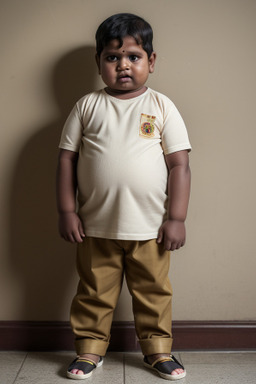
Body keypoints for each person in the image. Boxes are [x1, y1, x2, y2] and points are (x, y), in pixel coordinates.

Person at [56, 13, 191, 381]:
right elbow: (67, 160)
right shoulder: (87, 106)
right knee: (94, 292)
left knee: (153, 293)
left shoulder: (162, 107)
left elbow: (179, 166)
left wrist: (176, 218)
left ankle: (158, 350)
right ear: (99, 63)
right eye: (112, 58)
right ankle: (89, 349)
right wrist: (68, 210)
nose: (124, 65)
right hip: (95, 227)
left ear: (151, 61)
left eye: (133, 56)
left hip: (150, 229)